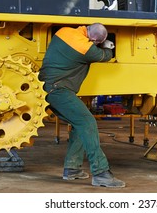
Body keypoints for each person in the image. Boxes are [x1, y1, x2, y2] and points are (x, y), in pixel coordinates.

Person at [39, 23, 125, 188]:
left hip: (48, 87)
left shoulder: (63, 32)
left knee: (79, 125)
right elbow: (105, 56)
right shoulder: (86, 48)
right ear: (93, 40)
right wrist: (107, 47)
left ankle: (72, 168)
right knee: (87, 121)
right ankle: (101, 173)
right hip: (59, 90)